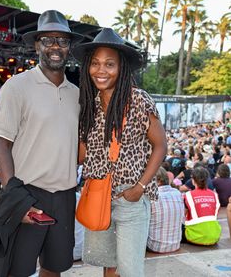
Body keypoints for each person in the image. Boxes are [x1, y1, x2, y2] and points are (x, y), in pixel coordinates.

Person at [0, 10, 83, 277]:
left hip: (64, 196)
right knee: (14, 270)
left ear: (69, 47)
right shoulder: (16, 87)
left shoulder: (77, 94)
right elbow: (1, 145)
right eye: (48, 39)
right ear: (37, 44)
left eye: (62, 41)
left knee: (54, 267)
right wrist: (17, 199)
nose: (55, 46)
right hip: (27, 192)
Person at [73, 28, 167, 277]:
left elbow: (161, 146)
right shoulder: (89, 105)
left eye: (109, 64)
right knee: (109, 266)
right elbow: (82, 155)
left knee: (130, 271)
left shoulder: (138, 100)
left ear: (121, 67)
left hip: (130, 198)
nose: (100, 70)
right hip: (98, 194)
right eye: (95, 63)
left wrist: (140, 187)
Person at [147, 167, 184, 253]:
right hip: (176, 244)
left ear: (158, 181)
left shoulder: (152, 196)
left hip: (155, 246)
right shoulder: (177, 193)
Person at [183, 167, 221, 245]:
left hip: (195, 236)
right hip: (214, 236)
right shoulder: (214, 194)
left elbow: (182, 216)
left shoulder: (188, 195)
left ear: (193, 180)